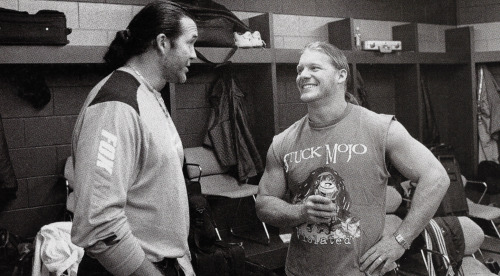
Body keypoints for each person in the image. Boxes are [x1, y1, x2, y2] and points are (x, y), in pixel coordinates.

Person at [255, 41, 450, 276]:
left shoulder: (380, 128)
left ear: (341, 75)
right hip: (301, 271)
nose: (303, 75)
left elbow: (436, 177)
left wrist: (399, 241)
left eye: (314, 68)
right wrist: (300, 212)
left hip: (363, 271)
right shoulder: (283, 142)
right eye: (299, 70)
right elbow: (264, 203)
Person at [69, 1, 197, 275]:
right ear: (163, 42)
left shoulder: (148, 93)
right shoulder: (117, 104)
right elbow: (99, 223)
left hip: (166, 263)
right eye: (190, 43)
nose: (194, 54)